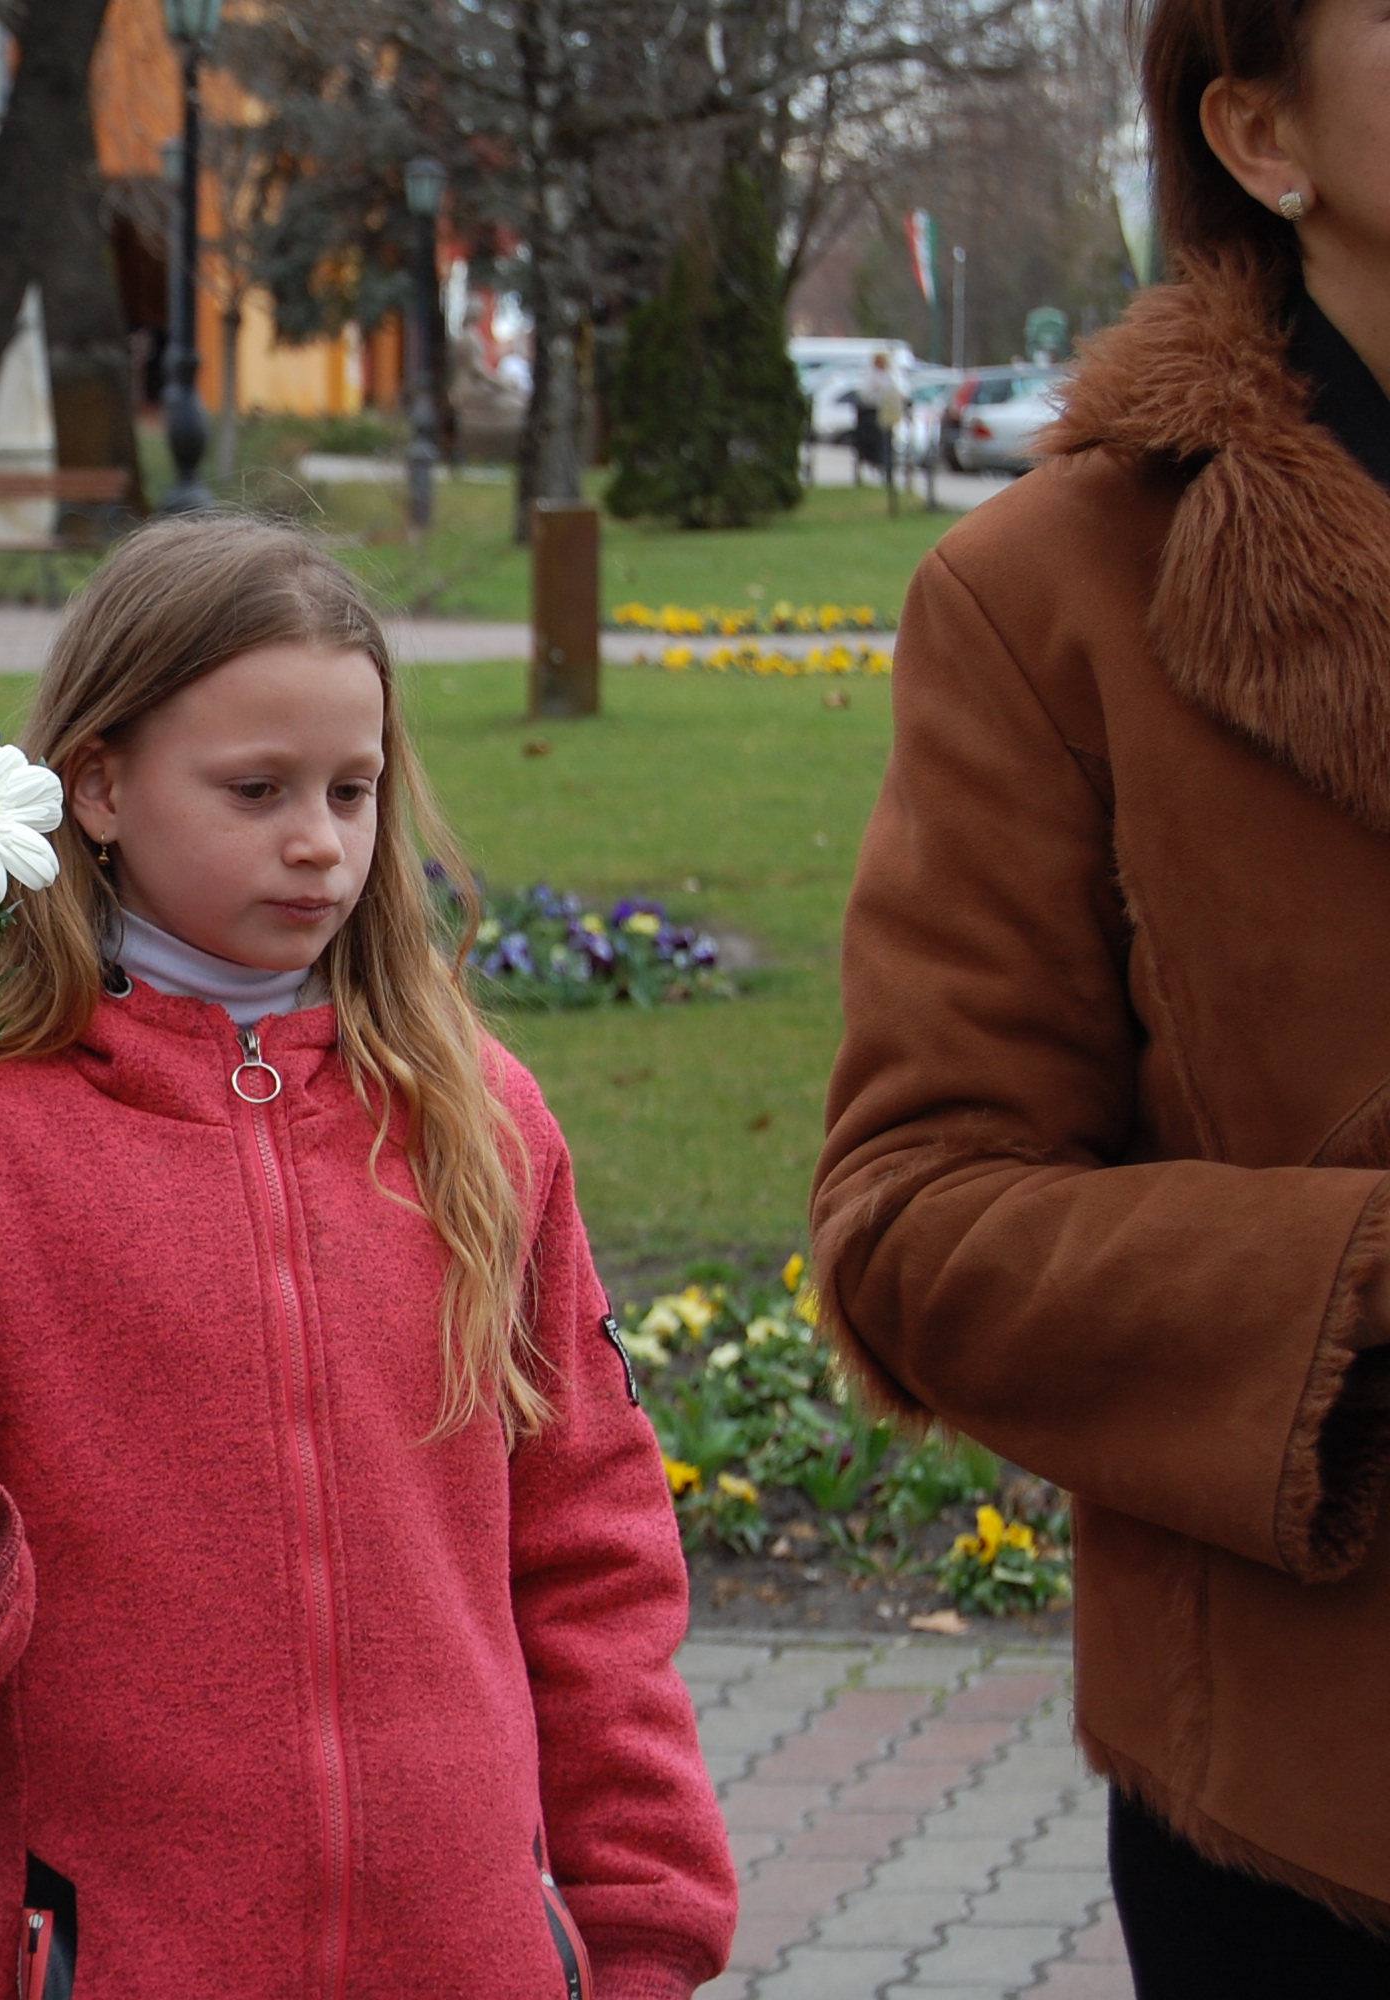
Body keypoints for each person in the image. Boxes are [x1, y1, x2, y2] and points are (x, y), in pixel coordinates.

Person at [0, 516, 737, 1999]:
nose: (321, 841)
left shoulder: (478, 1123)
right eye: (257, 790)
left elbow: (593, 1548)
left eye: (353, 790)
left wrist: (640, 1928)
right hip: (114, 1954)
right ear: (98, 784)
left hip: (468, 1954)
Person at [811, 0, 1390, 1987]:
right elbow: (915, 1222)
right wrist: (1357, 1287)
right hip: (1323, 1809)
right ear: (1260, 135)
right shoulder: (1052, 594)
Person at [853, 348, 907, 483]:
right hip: (873, 411)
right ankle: (876, 463)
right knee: (875, 440)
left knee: (888, 439)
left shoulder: (892, 373)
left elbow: (900, 390)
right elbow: (865, 393)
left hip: (889, 410)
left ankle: (887, 467)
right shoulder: (870, 374)